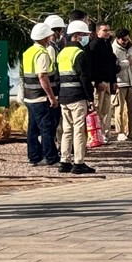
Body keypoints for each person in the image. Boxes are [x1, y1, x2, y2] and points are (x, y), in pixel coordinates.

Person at [57, 21, 96, 174]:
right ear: (77, 36)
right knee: (79, 130)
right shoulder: (79, 54)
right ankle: (79, 162)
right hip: (77, 97)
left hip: (64, 97)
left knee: (67, 130)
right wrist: (90, 98)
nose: (87, 37)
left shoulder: (62, 53)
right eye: (84, 35)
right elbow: (84, 78)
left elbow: (58, 78)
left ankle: (64, 161)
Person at [23, 23, 59, 167]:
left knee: (32, 129)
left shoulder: (28, 52)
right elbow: (42, 76)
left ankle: (34, 157)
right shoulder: (42, 54)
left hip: (29, 96)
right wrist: (51, 96)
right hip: (41, 97)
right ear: (45, 38)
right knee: (47, 128)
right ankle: (51, 158)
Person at [88, 21, 119, 143]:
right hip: (99, 84)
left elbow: (111, 65)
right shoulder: (94, 45)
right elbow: (94, 66)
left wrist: (113, 81)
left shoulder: (108, 45)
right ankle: (96, 135)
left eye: (108, 30)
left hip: (108, 82)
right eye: (104, 30)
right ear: (98, 32)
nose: (107, 33)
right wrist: (98, 81)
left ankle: (104, 133)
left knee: (106, 111)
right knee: (97, 110)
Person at [112, 29, 132, 141]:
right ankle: (120, 132)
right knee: (119, 109)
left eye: (127, 39)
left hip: (131, 82)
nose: (126, 42)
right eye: (123, 40)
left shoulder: (131, 48)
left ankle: (131, 131)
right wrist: (127, 63)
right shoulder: (113, 49)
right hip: (120, 83)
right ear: (118, 39)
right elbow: (114, 67)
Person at [43, 14, 67, 144]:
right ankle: (56, 145)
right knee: (54, 120)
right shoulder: (51, 49)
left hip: (53, 87)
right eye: (61, 31)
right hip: (53, 87)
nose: (61, 34)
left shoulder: (55, 46)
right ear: (56, 31)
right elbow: (51, 70)